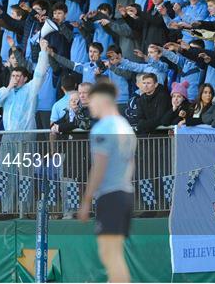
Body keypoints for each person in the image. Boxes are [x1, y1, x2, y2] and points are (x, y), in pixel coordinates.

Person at [78, 81, 136, 283]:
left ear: (102, 100)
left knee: (110, 254)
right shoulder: (125, 126)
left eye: (92, 100)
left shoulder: (103, 128)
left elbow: (99, 167)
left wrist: (86, 200)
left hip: (111, 194)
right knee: (113, 253)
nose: (89, 105)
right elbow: (131, 163)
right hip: (125, 192)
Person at [0, 39, 50, 213]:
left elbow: (40, 72)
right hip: (8, 136)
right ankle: (7, 210)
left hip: (25, 135)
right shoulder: (6, 92)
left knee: (25, 174)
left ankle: (25, 210)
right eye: (13, 75)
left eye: (18, 76)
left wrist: (43, 51)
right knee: (5, 172)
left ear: (25, 78)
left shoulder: (30, 89)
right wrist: (8, 87)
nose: (15, 78)